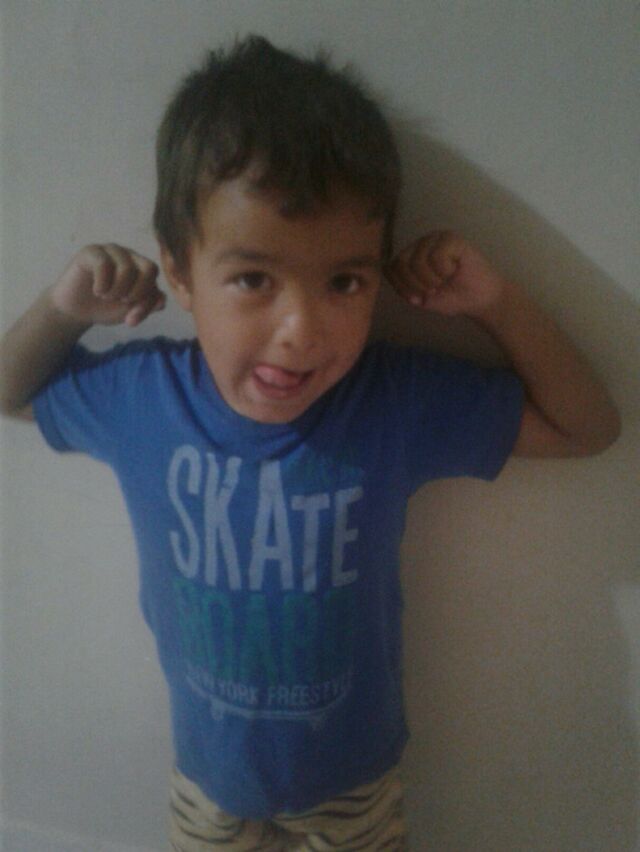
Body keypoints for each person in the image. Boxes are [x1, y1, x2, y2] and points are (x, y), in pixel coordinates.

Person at [0, 35, 620, 852]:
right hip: (208, 778)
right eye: (253, 278)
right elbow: (11, 395)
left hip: (350, 782)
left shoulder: (392, 402)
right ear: (180, 273)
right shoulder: (143, 398)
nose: (300, 331)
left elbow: (587, 427)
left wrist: (493, 302)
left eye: (344, 282)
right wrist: (63, 307)